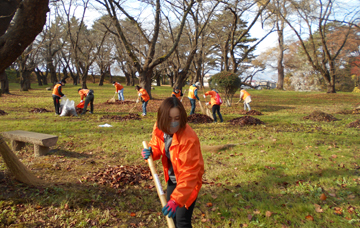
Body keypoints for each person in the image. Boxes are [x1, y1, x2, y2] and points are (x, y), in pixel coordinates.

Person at [141, 97, 204, 228]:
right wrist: (152, 152)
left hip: (188, 184)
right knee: (172, 218)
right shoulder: (159, 128)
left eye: (177, 118)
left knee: (182, 221)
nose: (174, 123)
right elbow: (157, 145)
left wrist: (176, 200)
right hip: (172, 178)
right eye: (170, 119)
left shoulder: (188, 139)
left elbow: (190, 173)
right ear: (163, 118)